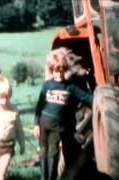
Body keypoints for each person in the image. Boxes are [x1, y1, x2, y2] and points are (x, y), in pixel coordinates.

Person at [33, 50, 93, 180]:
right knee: (43, 151)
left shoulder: (70, 87)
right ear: (51, 70)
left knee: (53, 153)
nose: (59, 75)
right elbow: (39, 106)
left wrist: (97, 98)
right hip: (44, 124)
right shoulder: (46, 85)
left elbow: (85, 96)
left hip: (56, 127)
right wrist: (36, 124)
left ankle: (51, 177)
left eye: (61, 71)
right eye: (55, 71)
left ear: (64, 70)